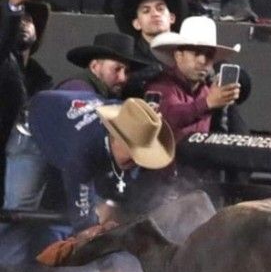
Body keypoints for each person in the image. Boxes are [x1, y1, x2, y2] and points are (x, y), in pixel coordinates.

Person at [28, 91, 175, 233]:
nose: (136, 160)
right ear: (115, 137)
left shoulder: (133, 119)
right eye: (132, 152)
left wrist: (112, 204)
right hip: (35, 125)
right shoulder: (83, 150)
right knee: (23, 204)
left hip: (72, 129)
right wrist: (90, 227)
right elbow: (84, 223)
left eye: (141, 154)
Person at [145, 15, 240, 142]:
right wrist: (208, 103)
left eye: (209, 55)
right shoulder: (160, 85)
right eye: (196, 53)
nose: (203, 60)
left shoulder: (207, 91)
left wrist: (223, 105)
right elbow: (168, 119)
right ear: (178, 56)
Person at [1, 0, 50, 211]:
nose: (22, 22)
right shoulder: (4, 61)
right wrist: (14, 5)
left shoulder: (43, 81)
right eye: (18, 18)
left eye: (28, 19)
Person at [112, 0, 187, 98]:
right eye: (146, 11)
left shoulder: (189, 53)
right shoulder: (128, 58)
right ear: (137, 23)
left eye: (160, 9)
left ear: (172, 18)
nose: (155, 14)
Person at [57, 32, 150, 99]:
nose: (123, 78)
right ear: (94, 67)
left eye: (127, 72)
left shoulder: (111, 94)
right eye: (116, 69)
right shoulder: (77, 90)